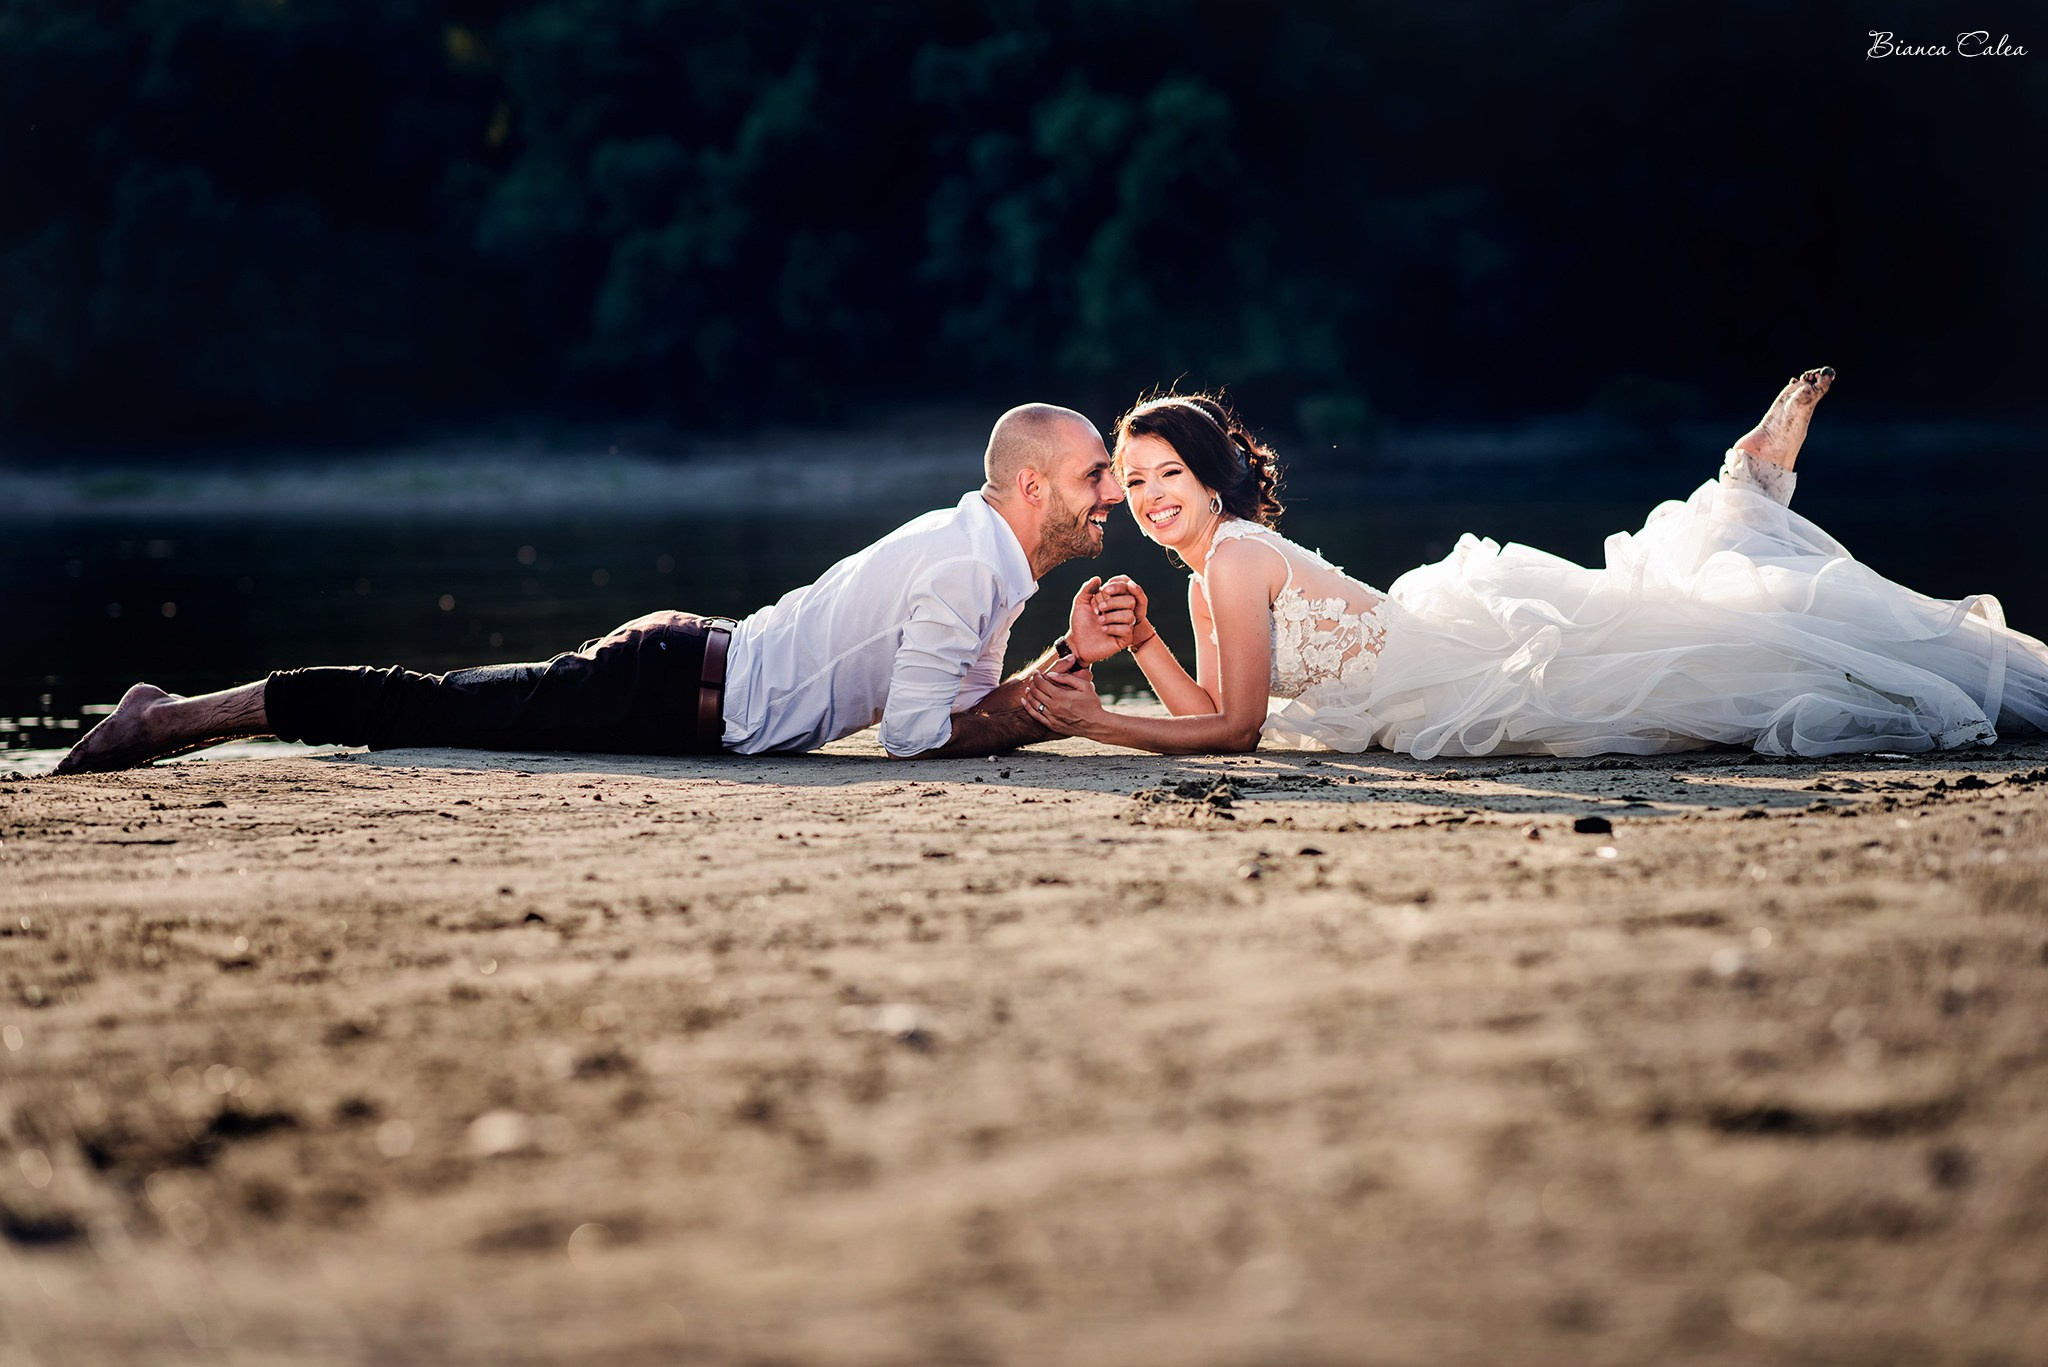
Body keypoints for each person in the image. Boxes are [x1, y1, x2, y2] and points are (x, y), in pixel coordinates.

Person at [55, 403, 1140, 774]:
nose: (1112, 496)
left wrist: (1061, 676)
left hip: (689, 683)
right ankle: (173, 714)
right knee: (425, 704)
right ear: (1033, 482)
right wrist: (1056, 708)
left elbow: (954, 712)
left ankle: (181, 710)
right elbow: (915, 738)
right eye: (1096, 476)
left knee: (438, 704)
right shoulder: (963, 562)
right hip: (664, 692)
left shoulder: (990, 563)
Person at [1024, 371, 2048, 758]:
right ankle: (1738, 492)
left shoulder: (1237, 555)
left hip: (1449, 669)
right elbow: (1213, 702)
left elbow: (1235, 731)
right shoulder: (1210, 573)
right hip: (1422, 661)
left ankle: (1738, 495)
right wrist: (1147, 644)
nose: (1148, 493)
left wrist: (1096, 718)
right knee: (1679, 632)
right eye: (1131, 479)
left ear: (1210, 480)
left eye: (1165, 472)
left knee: (1710, 652)